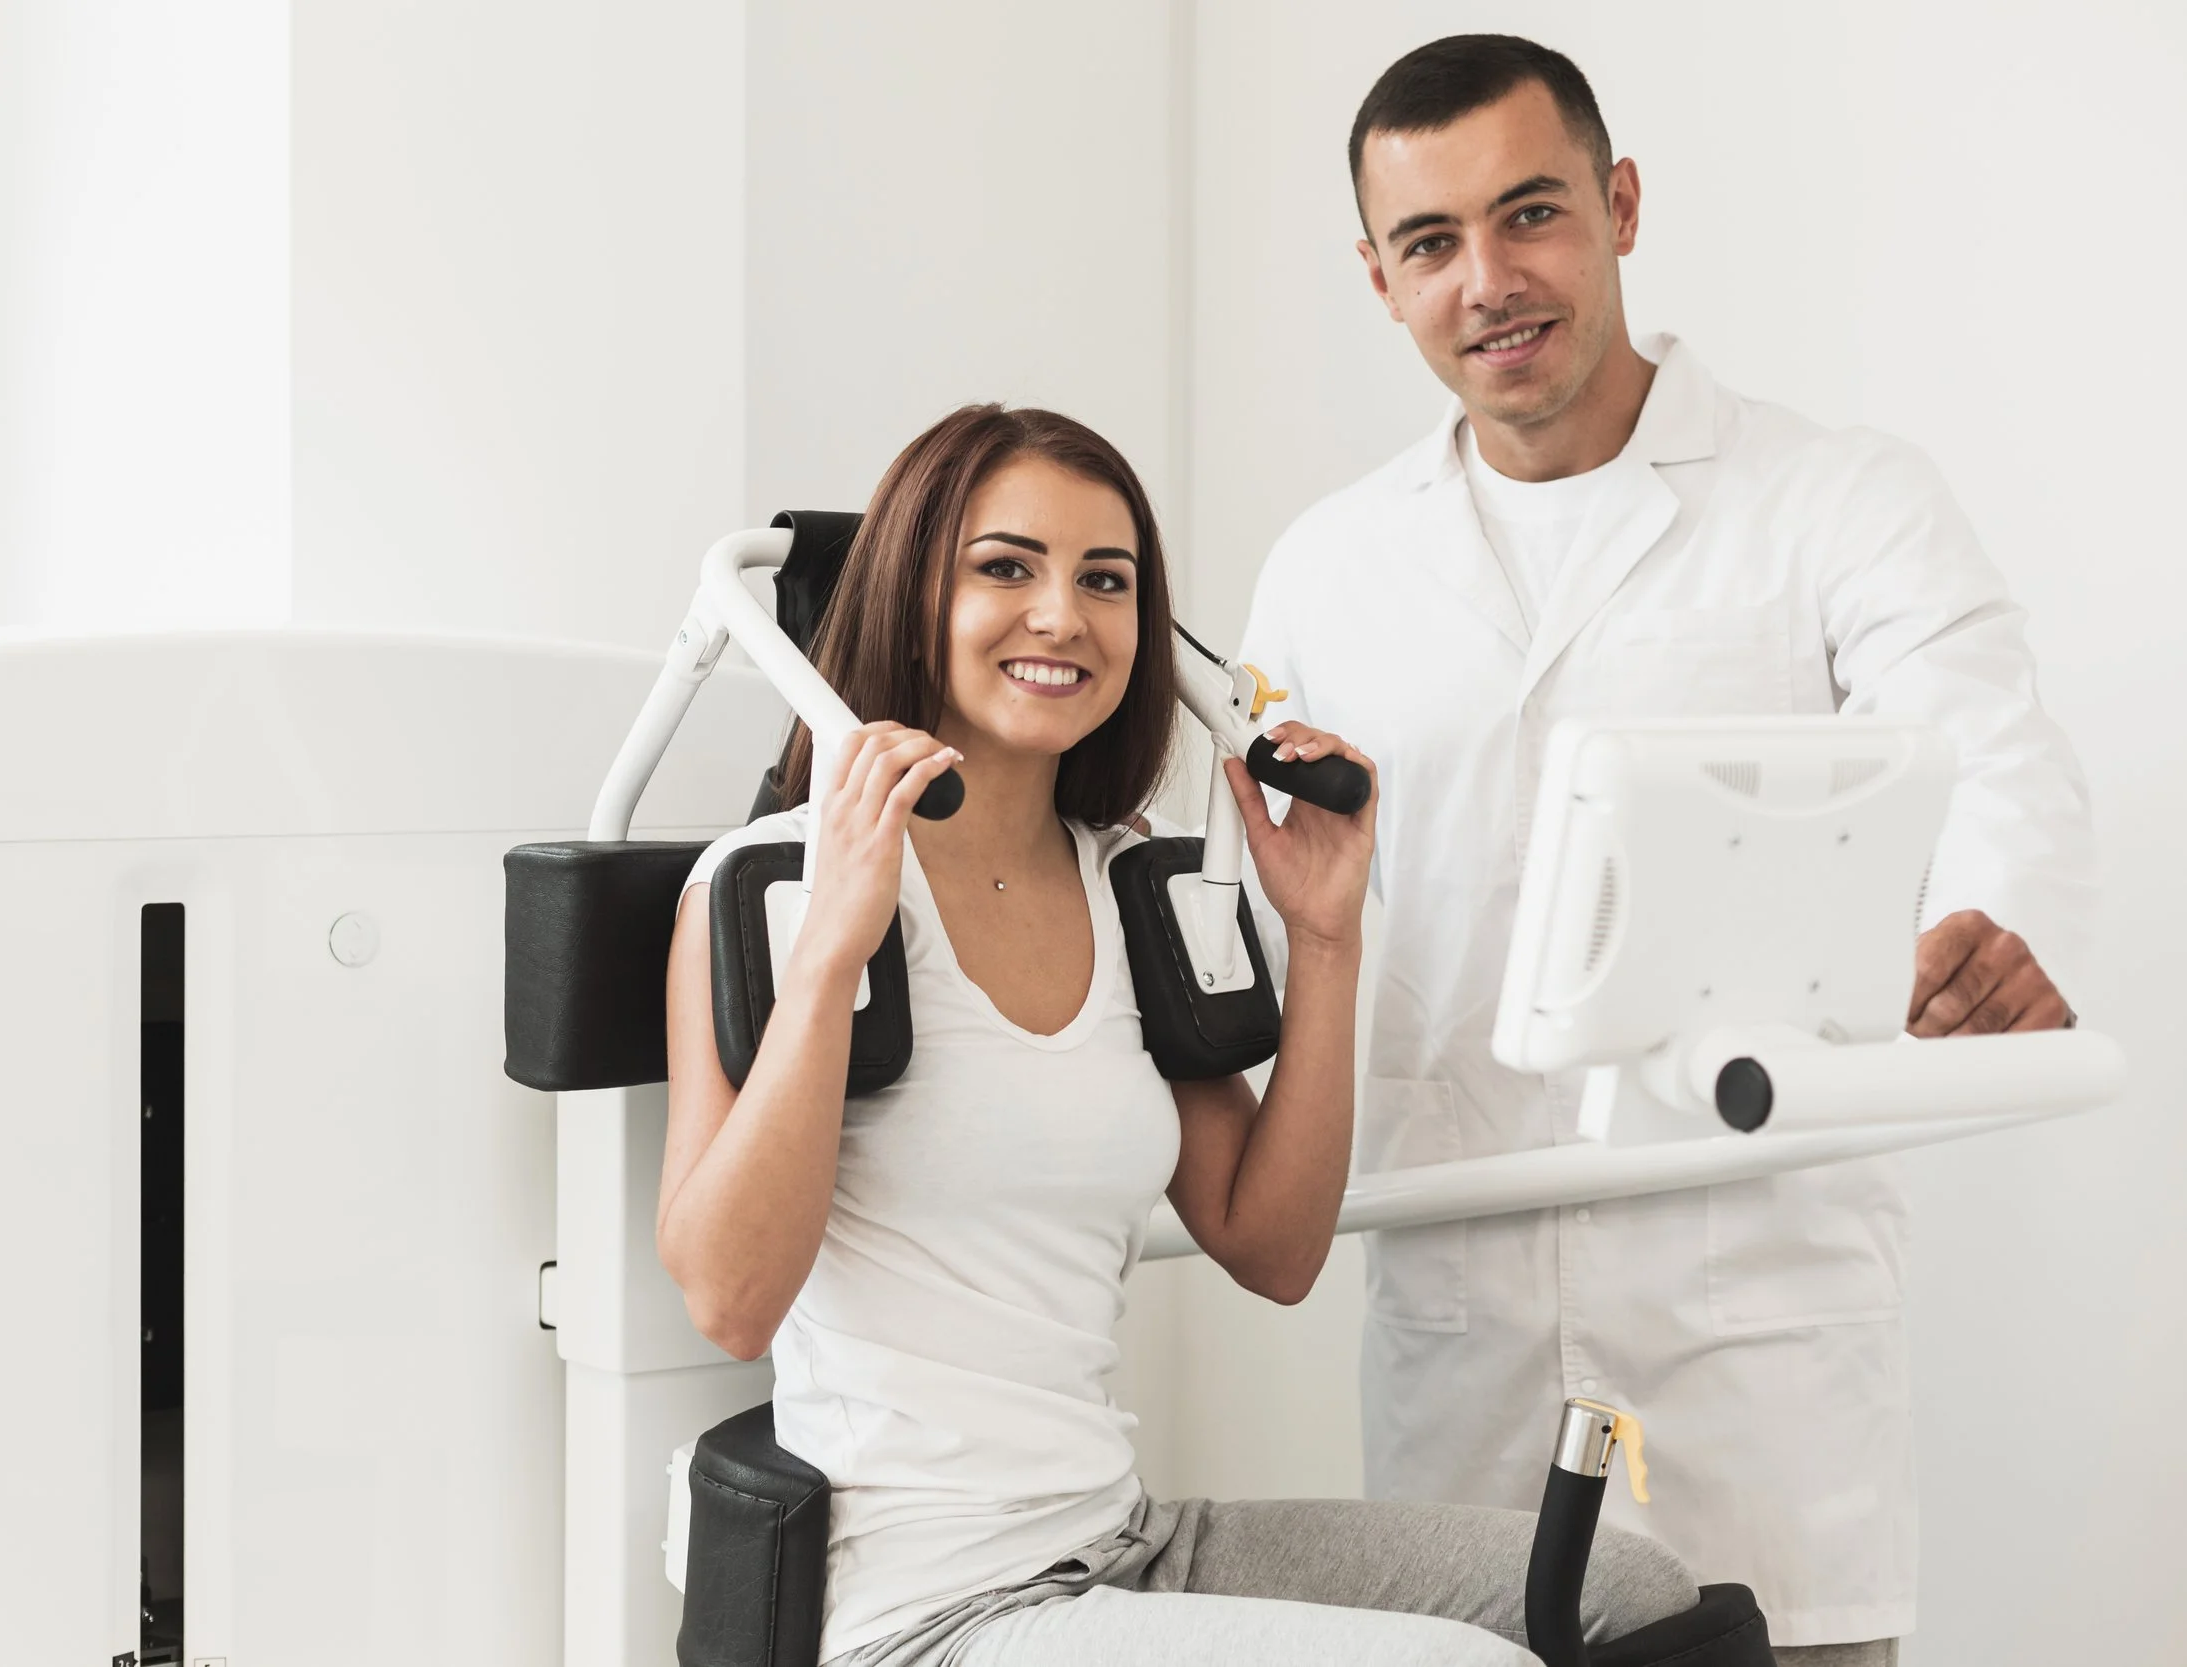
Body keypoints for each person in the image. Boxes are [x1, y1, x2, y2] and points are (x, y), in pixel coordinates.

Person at [1239, 34, 2097, 1667]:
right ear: (1378, 278)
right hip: (1458, 1350)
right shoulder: (1329, 572)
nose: (1489, 281)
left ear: (1621, 205)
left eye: (1533, 214)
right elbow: (1271, 926)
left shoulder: (1837, 503)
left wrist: (1984, 915)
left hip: (1757, 1356)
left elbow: (1993, 757)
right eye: (1431, 244)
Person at [659, 403, 1697, 1666]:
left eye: (1107, 580)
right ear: (909, 596)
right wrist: (832, 951)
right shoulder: (766, 887)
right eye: (1005, 567)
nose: (1063, 616)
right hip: (922, 1609)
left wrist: (1325, 937)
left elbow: (1271, 1245)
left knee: (1637, 1593)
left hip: (1122, 1539)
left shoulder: (1131, 884)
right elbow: (729, 1298)